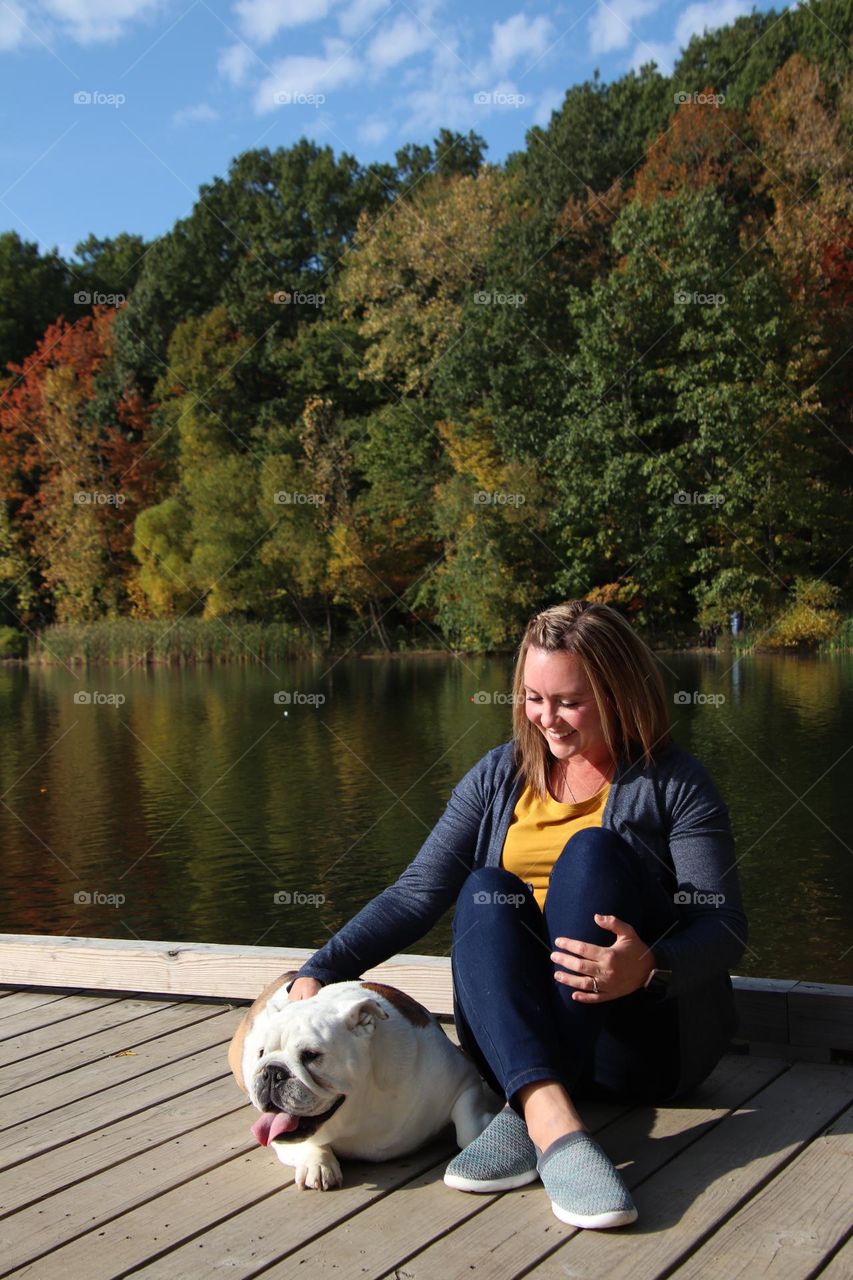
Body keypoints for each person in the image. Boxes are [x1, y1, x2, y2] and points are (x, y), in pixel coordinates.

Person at [287, 600, 747, 1230]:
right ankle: (553, 1121)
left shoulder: (675, 782)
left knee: (590, 854)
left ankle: (528, 1114)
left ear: (621, 692)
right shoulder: (500, 775)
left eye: (569, 701)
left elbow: (722, 926)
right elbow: (417, 892)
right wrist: (321, 967)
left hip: (641, 1044)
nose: (547, 719)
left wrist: (650, 966)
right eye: (534, 697)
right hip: (514, 1042)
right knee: (484, 889)